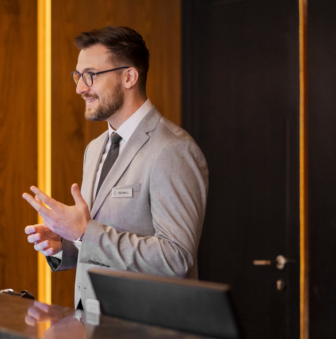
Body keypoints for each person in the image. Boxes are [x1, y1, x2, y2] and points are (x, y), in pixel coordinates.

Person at [23, 26, 208, 309]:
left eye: (90, 76)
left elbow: (176, 258)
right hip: (94, 325)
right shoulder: (96, 148)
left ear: (129, 77)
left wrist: (85, 233)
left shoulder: (173, 150)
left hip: (148, 337)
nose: (79, 88)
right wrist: (68, 244)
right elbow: (101, 241)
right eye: (78, 76)